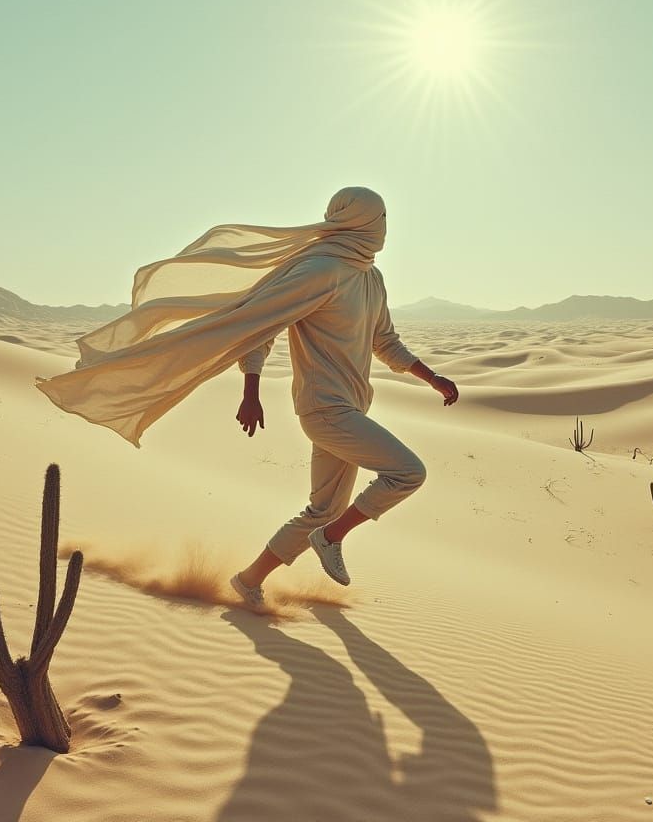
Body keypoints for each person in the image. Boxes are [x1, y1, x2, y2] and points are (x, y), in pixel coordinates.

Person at [34, 186, 457, 605]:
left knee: (323, 509)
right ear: (363, 221)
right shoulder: (320, 270)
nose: (385, 228)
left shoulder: (369, 276)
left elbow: (385, 342)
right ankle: (330, 539)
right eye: (382, 218)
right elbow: (262, 325)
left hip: (353, 407)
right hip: (325, 409)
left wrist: (432, 377)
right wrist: (250, 388)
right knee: (407, 473)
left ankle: (248, 581)